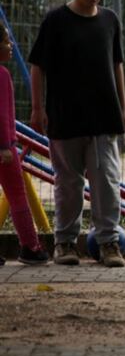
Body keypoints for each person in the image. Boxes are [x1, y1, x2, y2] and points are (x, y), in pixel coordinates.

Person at [28, 0, 125, 267]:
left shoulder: (109, 20)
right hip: (65, 116)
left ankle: (109, 242)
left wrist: (123, 109)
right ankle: (65, 243)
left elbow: (117, 65)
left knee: (106, 182)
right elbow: (37, 66)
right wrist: (37, 108)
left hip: (103, 117)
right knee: (68, 183)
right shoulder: (56, 21)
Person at [0, 24, 48, 265]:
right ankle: (30, 246)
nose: (11, 46)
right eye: (7, 41)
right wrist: (6, 145)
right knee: (18, 196)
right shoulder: (2, 76)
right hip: (4, 150)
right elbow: (3, 116)